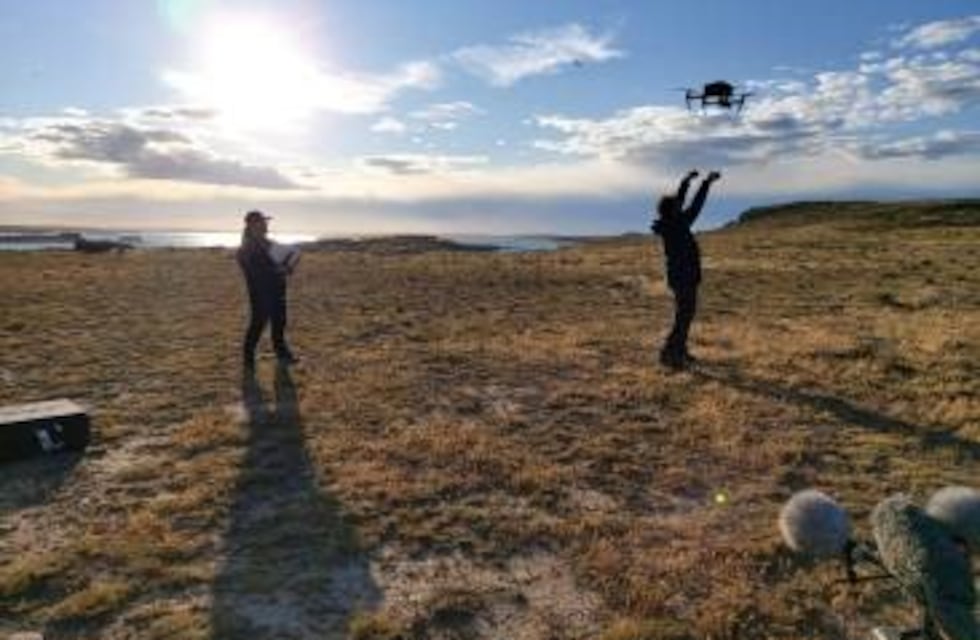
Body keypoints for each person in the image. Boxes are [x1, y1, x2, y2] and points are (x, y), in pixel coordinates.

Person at [651, 169, 721, 369]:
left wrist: (686, 182)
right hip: (684, 277)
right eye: (678, 206)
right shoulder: (678, 225)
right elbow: (695, 205)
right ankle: (668, 353)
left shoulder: (671, 222)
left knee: (685, 315)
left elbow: (680, 202)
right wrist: (706, 183)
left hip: (681, 276)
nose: (681, 207)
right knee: (684, 316)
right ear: (674, 210)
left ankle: (679, 350)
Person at [237, 210, 297, 369]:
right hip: (261, 293)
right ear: (252, 225)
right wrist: (279, 269)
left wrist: (288, 265)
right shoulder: (247, 248)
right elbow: (256, 272)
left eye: (265, 222)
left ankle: (282, 354)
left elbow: (281, 261)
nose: (265, 224)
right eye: (262, 222)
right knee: (257, 325)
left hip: (277, 289)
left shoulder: (268, 243)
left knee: (279, 323)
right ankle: (248, 360)